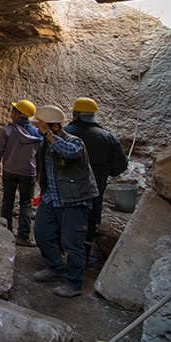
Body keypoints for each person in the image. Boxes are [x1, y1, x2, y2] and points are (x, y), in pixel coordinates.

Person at [31, 105, 99, 298]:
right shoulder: (46, 143)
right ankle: (55, 267)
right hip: (52, 199)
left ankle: (74, 283)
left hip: (74, 201)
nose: (38, 131)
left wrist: (50, 136)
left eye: (41, 127)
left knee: (72, 244)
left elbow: (71, 153)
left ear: (53, 127)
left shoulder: (74, 141)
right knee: (42, 233)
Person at [63, 97, 128, 265]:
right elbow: (120, 166)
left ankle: (59, 254)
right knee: (90, 221)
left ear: (75, 115)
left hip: (67, 188)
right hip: (95, 189)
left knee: (64, 218)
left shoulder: (64, 134)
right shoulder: (108, 138)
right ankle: (83, 257)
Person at [0, 99, 42, 247]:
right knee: (26, 203)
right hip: (29, 172)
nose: (11, 114)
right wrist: (38, 171)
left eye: (13, 112)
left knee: (8, 200)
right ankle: (24, 236)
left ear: (19, 114)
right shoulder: (37, 133)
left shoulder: (7, 130)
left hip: (10, 170)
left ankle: (6, 231)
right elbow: (39, 155)